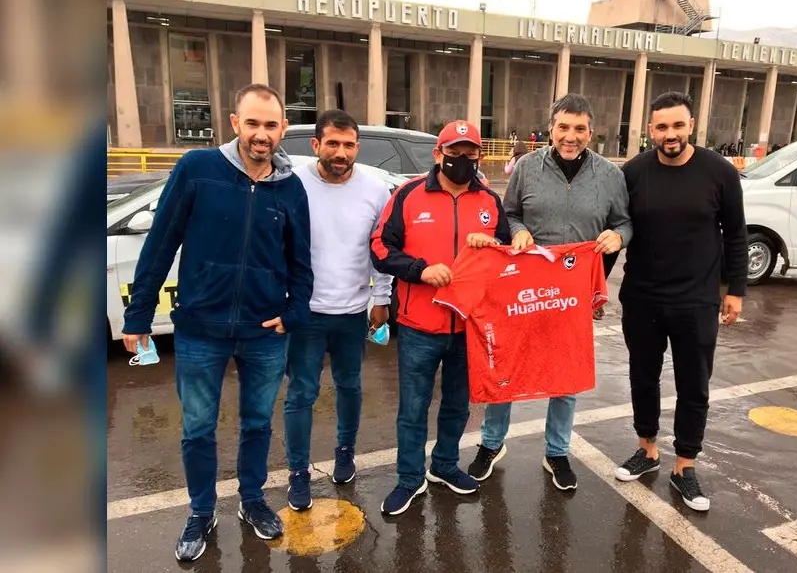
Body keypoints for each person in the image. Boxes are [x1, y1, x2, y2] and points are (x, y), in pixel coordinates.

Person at [121, 84, 312, 561]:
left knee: (255, 424)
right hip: (200, 329)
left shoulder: (291, 188)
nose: (261, 135)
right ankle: (201, 511)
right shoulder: (198, 169)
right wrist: (138, 314)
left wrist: (294, 314)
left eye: (271, 125)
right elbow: (160, 243)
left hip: (264, 332)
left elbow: (302, 263)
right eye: (253, 124)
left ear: (282, 129)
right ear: (234, 123)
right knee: (198, 428)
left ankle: (252, 500)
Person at [468, 93, 632, 491]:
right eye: (563, 128)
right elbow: (509, 213)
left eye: (579, 129)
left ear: (591, 132)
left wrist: (618, 237)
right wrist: (519, 230)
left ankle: (556, 451)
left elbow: (626, 221)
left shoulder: (610, 176)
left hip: (573, 292)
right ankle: (491, 444)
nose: (570, 136)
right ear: (551, 129)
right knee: (505, 364)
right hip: (523, 289)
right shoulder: (526, 167)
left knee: (567, 374)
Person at [613, 91, 748, 513]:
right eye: (661, 127)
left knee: (694, 386)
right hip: (642, 298)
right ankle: (647, 449)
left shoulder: (719, 172)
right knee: (643, 376)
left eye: (677, 125)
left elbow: (736, 235)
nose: (669, 134)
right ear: (650, 130)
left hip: (697, 301)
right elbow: (616, 233)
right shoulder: (633, 173)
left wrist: (736, 291)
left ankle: (684, 465)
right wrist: (594, 286)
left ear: (691, 125)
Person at [370, 120, 511, 515]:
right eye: (454, 153)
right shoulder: (408, 195)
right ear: (438, 154)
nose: (462, 161)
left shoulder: (488, 201)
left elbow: (503, 260)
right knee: (413, 408)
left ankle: (445, 465)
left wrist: (497, 244)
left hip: (468, 325)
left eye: (470, 154)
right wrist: (420, 270)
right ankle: (410, 479)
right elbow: (380, 246)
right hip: (420, 326)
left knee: (457, 405)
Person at [283, 109, 392, 510]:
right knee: (301, 393)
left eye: (348, 145)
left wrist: (382, 298)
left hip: (351, 313)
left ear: (357, 147)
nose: (341, 152)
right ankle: (298, 472)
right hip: (305, 313)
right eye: (333, 143)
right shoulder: (293, 185)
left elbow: (380, 249)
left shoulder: (375, 189)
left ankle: (345, 452)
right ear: (316, 145)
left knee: (349, 386)